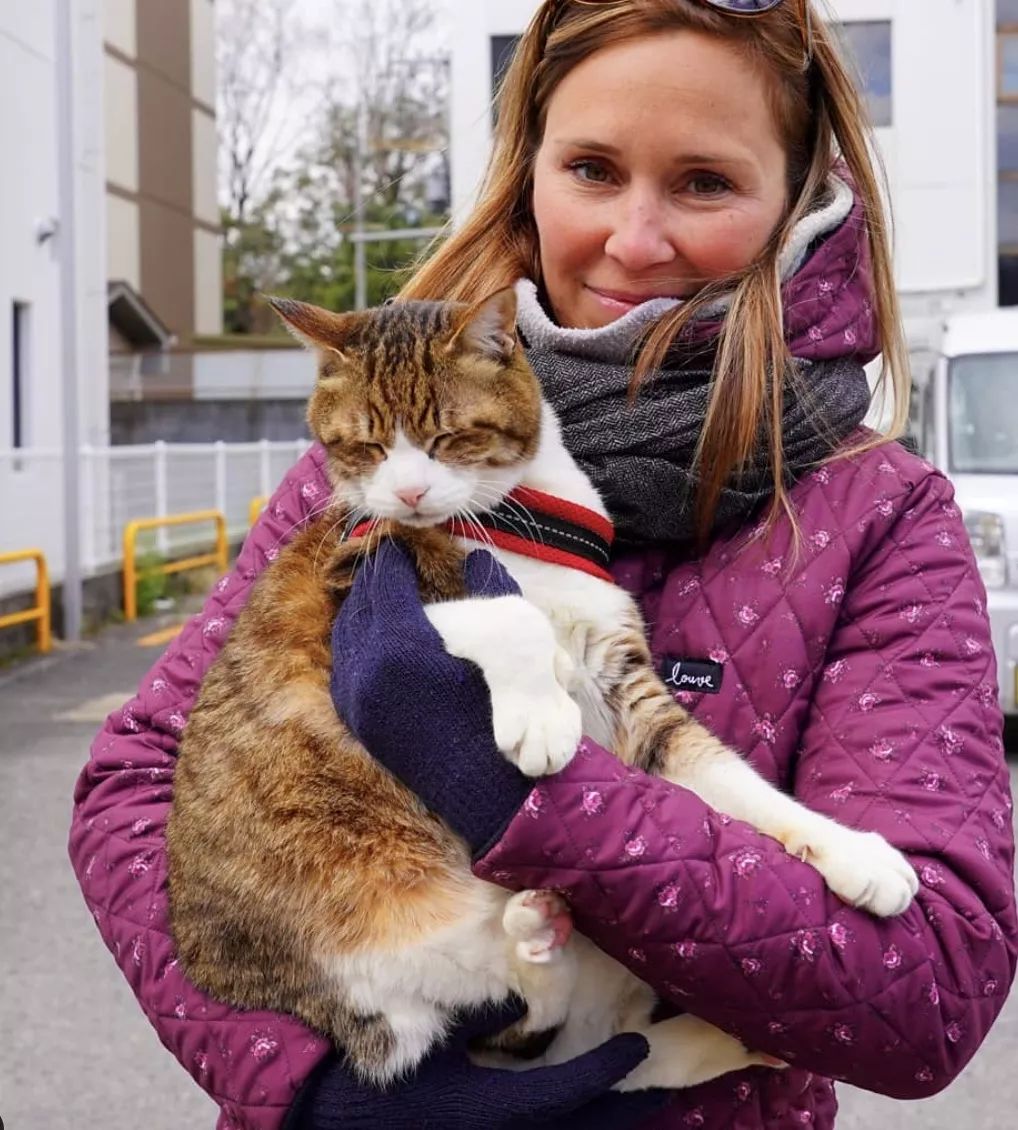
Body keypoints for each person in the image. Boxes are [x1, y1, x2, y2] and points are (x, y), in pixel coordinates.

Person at [69, 1, 1017, 1128]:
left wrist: (532, 796)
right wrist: (301, 1078)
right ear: (529, 170)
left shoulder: (878, 514)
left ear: (800, 194)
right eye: (592, 168)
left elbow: (929, 983)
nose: (634, 236)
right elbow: (135, 783)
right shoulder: (384, 450)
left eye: (704, 182)